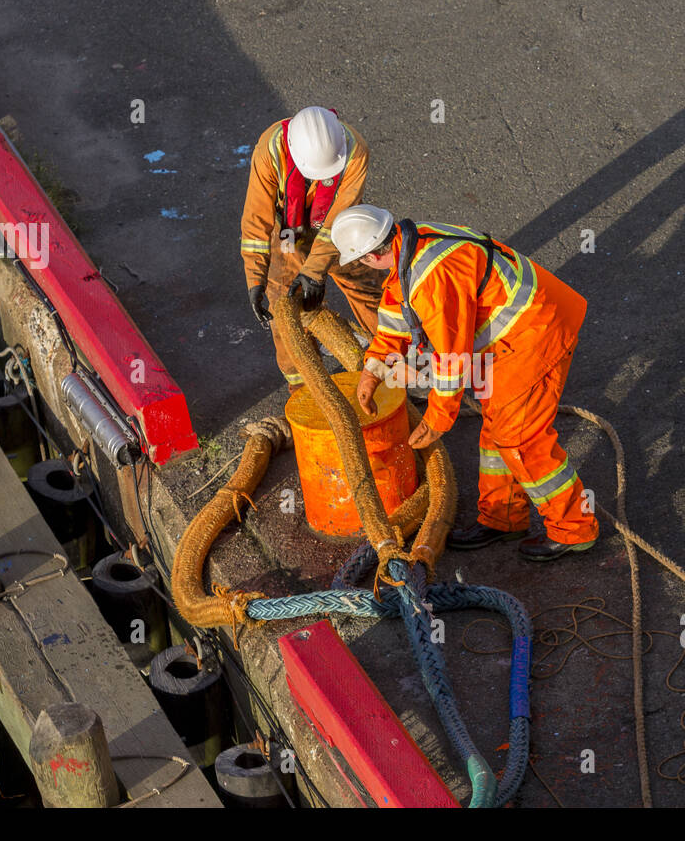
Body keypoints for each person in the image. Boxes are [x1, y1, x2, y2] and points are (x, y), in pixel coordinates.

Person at [330, 205, 599, 561]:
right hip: (520, 329)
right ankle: (502, 518)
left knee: (519, 438)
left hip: (535, 333)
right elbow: (399, 306)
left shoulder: (431, 277)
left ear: (369, 256)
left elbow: (451, 360)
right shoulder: (410, 242)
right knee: (497, 429)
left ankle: (573, 529)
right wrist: (375, 364)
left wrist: (437, 419)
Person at [238, 106, 384, 391]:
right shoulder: (270, 150)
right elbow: (257, 219)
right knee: (287, 312)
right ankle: (306, 391)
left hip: (339, 228)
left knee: (372, 292)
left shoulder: (354, 151)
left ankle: (393, 365)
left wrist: (313, 272)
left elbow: (334, 224)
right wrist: (255, 280)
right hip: (289, 234)